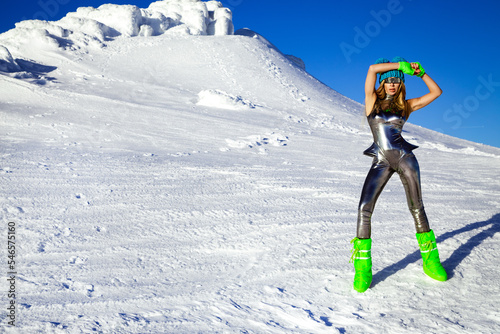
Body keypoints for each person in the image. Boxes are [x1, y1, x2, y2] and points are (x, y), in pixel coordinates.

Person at [350, 56, 447, 293]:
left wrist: (421, 73)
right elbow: (372, 68)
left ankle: (431, 260)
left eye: (397, 81)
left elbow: (436, 92)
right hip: (381, 160)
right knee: (364, 207)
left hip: (406, 159)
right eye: (389, 80)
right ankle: (363, 267)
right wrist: (399, 66)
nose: (392, 84)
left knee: (416, 207)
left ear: (401, 85)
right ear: (383, 84)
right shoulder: (371, 101)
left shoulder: (406, 106)